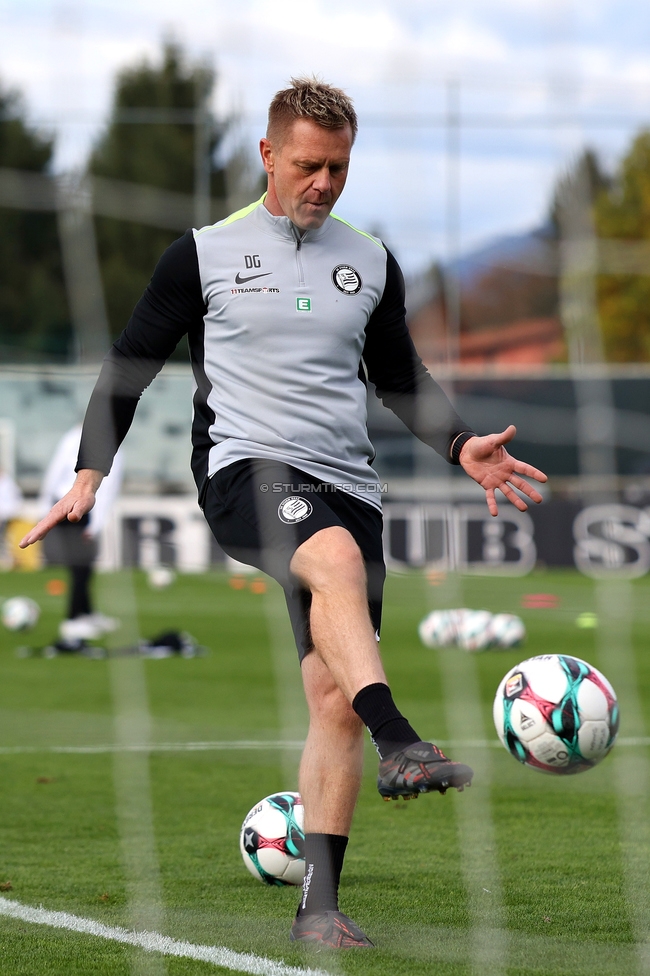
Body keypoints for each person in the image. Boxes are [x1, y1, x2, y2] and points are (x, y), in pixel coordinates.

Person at [21, 78, 547, 948]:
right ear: (268, 155)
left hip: (352, 485)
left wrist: (461, 447)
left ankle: (319, 908)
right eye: (308, 166)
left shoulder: (370, 259)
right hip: (244, 471)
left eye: (338, 168)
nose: (324, 184)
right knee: (333, 561)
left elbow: (401, 378)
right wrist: (89, 472)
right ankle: (404, 741)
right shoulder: (201, 254)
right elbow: (129, 366)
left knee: (332, 697)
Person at [39, 423, 123, 644]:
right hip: (80, 510)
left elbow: (53, 473)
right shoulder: (112, 444)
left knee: (84, 565)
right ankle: (73, 619)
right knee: (80, 567)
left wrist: (45, 510)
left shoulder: (72, 436)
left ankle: (86, 613)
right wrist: (95, 524)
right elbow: (108, 489)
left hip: (63, 504)